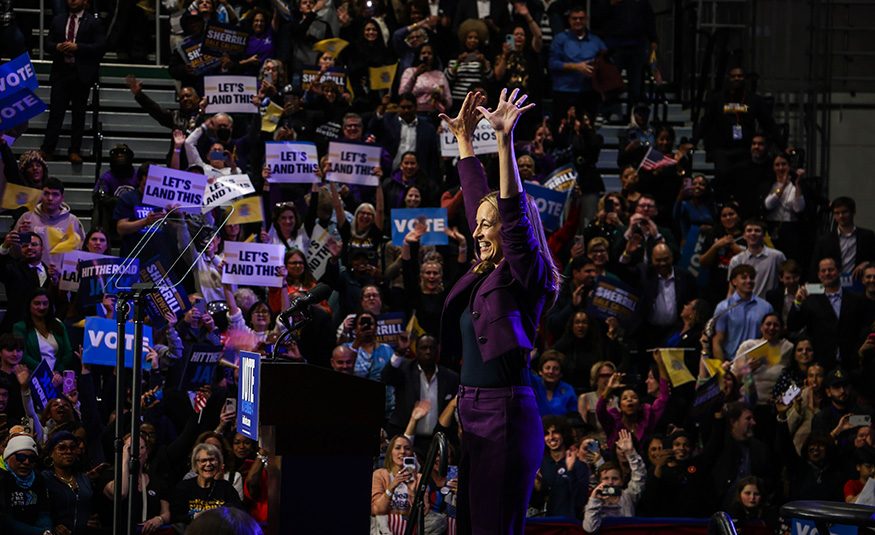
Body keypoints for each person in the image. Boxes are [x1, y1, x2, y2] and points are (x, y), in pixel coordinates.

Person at [437, 89, 559, 533]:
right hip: (471, 413)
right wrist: (465, 144)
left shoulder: (527, 276)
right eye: (478, 225)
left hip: (504, 417)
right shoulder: (484, 269)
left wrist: (504, 141)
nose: (478, 231)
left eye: (488, 226)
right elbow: (480, 203)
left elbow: (511, 216)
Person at [40, 0, 107, 163]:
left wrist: (78, 47)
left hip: (80, 73)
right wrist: (57, 47)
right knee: (56, 112)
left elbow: (100, 47)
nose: (73, 0)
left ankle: (75, 150)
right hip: (61, 72)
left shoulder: (94, 22)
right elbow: (47, 44)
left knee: (78, 114)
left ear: (85, 1)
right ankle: (48, 149)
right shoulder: (58, 20)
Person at [788, 257, 869, 372]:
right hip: (822, 366)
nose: (827, 273)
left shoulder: (855, 300)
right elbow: (793, 326)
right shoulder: (810, 301)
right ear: (819, 275)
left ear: (839, 272)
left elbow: (864, 329)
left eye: (831, 270)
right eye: (823, 271)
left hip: (851, 364)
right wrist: (798, 303)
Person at [381, 333, 460, 449]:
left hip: (437, 441)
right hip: (406, 437)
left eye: (432, 348)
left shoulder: (451, 377)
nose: (428, 351)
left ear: (438, 350)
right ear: (416, 351)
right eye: (424, 348)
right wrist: (400, 351)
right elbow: (386, 378)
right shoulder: (405, 369)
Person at [597, 350, 670, 448]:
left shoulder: (648, 420)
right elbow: (600, 410)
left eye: (633, 397)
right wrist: (609, 388)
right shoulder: (612, 423)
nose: (629, 400)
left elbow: (664, 397)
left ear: (640, 406)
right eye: (625, 398)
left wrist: (660, 364)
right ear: (620, 407)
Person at [548, 5, 607, 121]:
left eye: (581, 18)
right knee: (561, 128)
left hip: (588, 92)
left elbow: (607, 63)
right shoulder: (560, 39)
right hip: (564, 91)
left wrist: (595, 69)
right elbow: (552, 64)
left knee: (587, 127)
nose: (578, 21)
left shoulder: (596, 41)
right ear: (569, 20)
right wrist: (576, 67)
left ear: (587, 20)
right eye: (575, 18)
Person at [582, 429, 647, 533]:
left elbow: (640, 476)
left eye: (615, 479)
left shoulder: (628, 496)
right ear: (599, 481)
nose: (610, 482)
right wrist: (594, 499)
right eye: (606, 479)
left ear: (622, 481)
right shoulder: (595, 501)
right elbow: (589, 529)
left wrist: (631, 453)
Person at [13, 177, 87, 265]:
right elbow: (15, 254)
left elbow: (83, 253)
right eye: (46, 194)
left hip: (62, 273)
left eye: (55, 194)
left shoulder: (72, 221)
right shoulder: (27, 218)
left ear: (62, 197)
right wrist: (20, 236)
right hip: (32, 272)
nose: (50, 198)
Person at [710, 265, 775, 361]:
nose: (749, 281)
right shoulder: (724, 307)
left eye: (751, 278)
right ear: (734, 281)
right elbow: (717, 342)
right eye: (744, 278)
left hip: (757, 362)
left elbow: (772, 339)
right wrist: (722, 367)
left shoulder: (766, 307)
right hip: (731, 362)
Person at [170, 443, 242, 525]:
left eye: (212, 460)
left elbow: (239, 514)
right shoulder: (184, 487)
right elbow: (175, 517)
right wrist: (195, 517)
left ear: (219, 463)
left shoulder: (226, 488)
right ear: (196, 464)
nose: (208, 464)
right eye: (203, 460)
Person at [811, 196, 875, 280]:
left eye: (844, 212)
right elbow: (815, 267)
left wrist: (867, 263)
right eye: (837, 213)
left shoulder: (867, 236)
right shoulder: (824, 240)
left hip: (860, 281)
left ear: (853, 212)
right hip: (833, 281)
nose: (841, 216)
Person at [0, 434, 54, 534]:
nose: (26, 462)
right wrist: (40, 533)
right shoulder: (2, 478)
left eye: (32, 458)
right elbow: (5, 520)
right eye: (21, 457)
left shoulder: (38, 478)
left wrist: (47, 530)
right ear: (7, 457)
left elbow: (44, 512)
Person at [371, 434, 423, 531]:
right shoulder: (379, 475)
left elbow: (420, 515)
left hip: (408, 526)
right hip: (385, 526)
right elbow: (377, 510)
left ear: (412, 454)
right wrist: (392, 487)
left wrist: (412, 492)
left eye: (407, 448)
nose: (402, 452)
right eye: (398, 448)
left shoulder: (419, 479)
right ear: (390, 452)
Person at [14, 289, 75, 372]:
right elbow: (23, 355)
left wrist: (57, 371)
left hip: (57, 375)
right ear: (29, 304)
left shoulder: (58, 324)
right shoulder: (20, 327)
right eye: (37, 303)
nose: (41, 307)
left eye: (45, 303)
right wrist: (45, 371)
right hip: (32, 374)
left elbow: (68, 353)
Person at [531, 351, 578, 417]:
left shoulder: (568, 389)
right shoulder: (533, 382)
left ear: (561, 373)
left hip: (560, 423)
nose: (551, 371)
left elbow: (573, 415)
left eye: (555, 369)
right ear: (540, 371)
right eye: (547, 368)